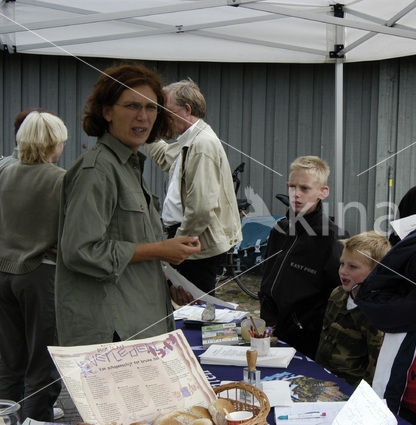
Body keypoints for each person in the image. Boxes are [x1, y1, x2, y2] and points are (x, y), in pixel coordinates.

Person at [56, 64, 202, 346]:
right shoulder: (97, 170)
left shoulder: (128, 166)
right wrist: (160, 250)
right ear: (107, 111)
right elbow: (80, 250)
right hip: (111, 331)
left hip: (137, 320)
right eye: (132, 106)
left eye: (151, 108)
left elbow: (128, 242)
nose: (142, 116)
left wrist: (167, 282)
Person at [145, 79, 242, 294]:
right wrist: (144, 131)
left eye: (167, 112)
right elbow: (164, 156)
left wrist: (179, 244)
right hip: (192, 241)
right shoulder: (189, 141)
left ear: (186, 109)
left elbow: (201, 207)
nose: (164, 118)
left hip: (195, 245)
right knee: (190, 306)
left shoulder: (201, 144)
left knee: (195, 310)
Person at [0, 111, 66, 421]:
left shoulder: (4, 172)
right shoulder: (60, 179)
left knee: (10, 360)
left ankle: (7, 416)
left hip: (3, 272)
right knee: (43, 363)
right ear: (54, 143)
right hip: (40, 273)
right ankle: (37, 419)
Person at [259, 156, 347, 359]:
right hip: (270, 332)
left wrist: (306, 326)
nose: (296, 194)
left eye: (305, 189)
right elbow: (267, 278)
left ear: (322, 192)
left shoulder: (332, 237)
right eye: (292, 187)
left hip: (306, 340)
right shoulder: (279, 229)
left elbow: (338, 293)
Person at [315, 231, 390, 386]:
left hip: (350, 391)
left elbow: (375, 370)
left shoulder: (377, 313)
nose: (343, 271)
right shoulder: (338, 295)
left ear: (376, 271)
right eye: (342, 263)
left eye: (353, 267)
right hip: (321, 380)